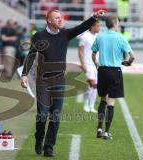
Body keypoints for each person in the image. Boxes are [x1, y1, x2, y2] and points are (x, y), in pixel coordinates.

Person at [21, 9, 106, 157]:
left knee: (55, 117)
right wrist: (24, 75)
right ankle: (39, 137)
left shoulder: (65, 34)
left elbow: (81, 27)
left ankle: (49, 147)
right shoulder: (39, 36)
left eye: (61, 17)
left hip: (59, 80)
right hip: (43, 81)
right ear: (49, 21)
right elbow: (30, 56)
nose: (60, 20)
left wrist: (94, 17)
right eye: (57, 18)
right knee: (42, 115)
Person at [91, 16, 135, 140]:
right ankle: (106, 132)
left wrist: (96, 65)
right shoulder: (120, 37)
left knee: (103, 99)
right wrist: (127, 62)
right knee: (111, 101)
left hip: (103, 71)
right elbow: (132, 56)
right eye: (118, 23)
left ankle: (99, 129)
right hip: (115, 71)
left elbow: (93, 55)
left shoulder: (100, 36)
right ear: (115, 24)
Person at [78, 20, 100, 113]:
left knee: (95, 86)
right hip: (88, 64)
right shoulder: (85, 36)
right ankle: (86, 104)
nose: (99, 28)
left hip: (96, 65)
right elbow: (80, 50)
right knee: (92, 84)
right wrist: (82, 64)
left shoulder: (98, 37)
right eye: (98, 26)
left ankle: (91, 105)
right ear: (93, 26)